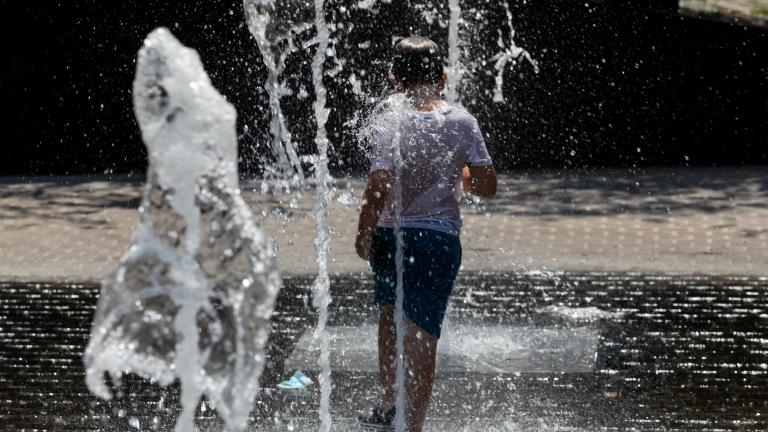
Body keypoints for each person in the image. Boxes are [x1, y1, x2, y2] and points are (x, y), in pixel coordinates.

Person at [355, 35, 497, 432]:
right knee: (423, 332)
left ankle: (389, 404)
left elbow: (380, 182)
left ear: (395, 79)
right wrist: (453, 171)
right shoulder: (463, 121)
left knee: (389, 315)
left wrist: (364, 231)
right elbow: (487, 184)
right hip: (437, 240)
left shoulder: (390, 120)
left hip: (390, 237)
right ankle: (411, 425)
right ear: (443, 77)